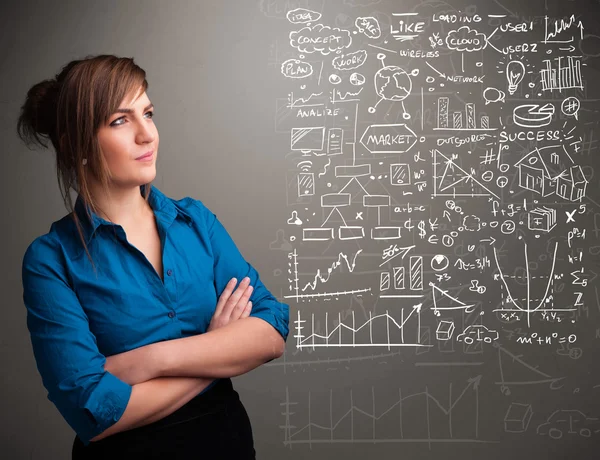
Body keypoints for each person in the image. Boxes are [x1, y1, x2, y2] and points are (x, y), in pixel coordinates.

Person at [17, 54, 290, 459]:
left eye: (148, 112)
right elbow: (94, 409)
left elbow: (271, 329)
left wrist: (152, 360)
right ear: (79, 145)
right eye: (120, 120)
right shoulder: (51, 260)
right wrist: (218, 350)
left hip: (228, 443)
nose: (148, 134)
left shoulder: (196, 221)